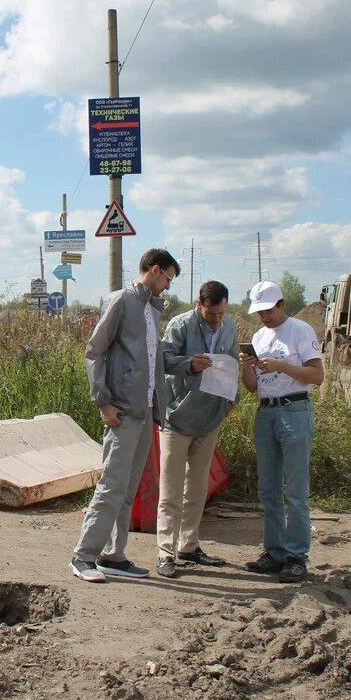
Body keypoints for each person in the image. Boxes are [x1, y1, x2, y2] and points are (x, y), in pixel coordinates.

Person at [70, 248, 180, 582]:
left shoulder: (151, 309)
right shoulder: (122, 301)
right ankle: (83, 556)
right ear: (156, 269)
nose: (168, 286)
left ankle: (113, 555)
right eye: (168, 279)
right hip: (122, 411)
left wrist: (158, 409)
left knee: (128, 487)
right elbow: (94, 351)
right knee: (112, 485)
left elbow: (153, 360)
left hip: (145, 410)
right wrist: (103, 401)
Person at [239, 280, 324, 583]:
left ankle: (296, 556)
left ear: (281, 305)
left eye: (268, 310)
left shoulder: (300, 331)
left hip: (294, 410)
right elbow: (251, 387)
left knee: (296, 490)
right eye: (259, 311)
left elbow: (317, 375)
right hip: (266, 411)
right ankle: (275, 552)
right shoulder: (259, 336)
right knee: (269, 489)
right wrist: (247, 367)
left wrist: (282, 366)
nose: (263, 316)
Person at [155, 280, 238, 578]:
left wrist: (231, 401)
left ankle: (188, 545)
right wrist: (190, 364)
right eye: (212, 314)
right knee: (171, 488)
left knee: (197, 487)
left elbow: (232, 364)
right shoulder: (180, 325)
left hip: (210, 416)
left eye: (222, 314)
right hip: (177, 417)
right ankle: (165, 551)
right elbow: (162, 361)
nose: (218, 320)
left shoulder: (228, 328)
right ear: (199, 304)